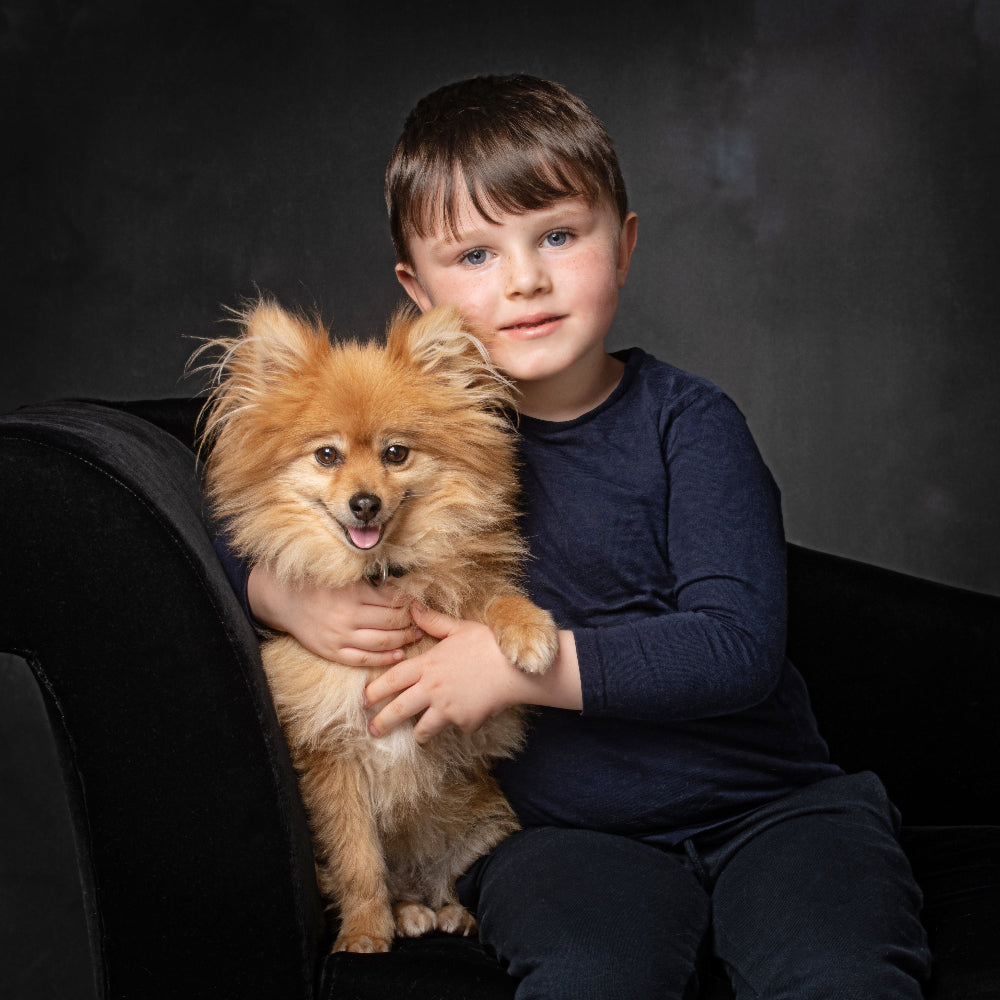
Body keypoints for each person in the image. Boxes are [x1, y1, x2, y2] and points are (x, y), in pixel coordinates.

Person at [217, 75, 931, 998]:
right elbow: (253, 490)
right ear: (417, 290)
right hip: (564, 838)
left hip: (775, 809)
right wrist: (274, 590)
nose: (524, 280)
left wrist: (513, 669)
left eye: (557, 235)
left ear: (624, 245)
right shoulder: (418, 435)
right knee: (586, 977)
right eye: (473, 255)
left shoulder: (691, 423)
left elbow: (739, 645)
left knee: (843, 975)